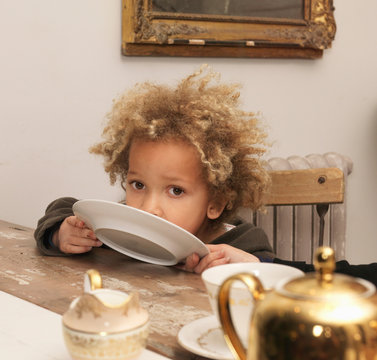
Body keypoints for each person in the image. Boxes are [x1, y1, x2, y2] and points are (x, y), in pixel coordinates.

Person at [34, 66, 377, 287]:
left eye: (176, 191)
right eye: (138, 185)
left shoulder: (240, 243)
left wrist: (247, 267)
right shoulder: (122, 224)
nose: (149, 207)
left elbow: (264, 272)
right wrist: (61, 234)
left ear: (215, 203)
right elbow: (64, 208)